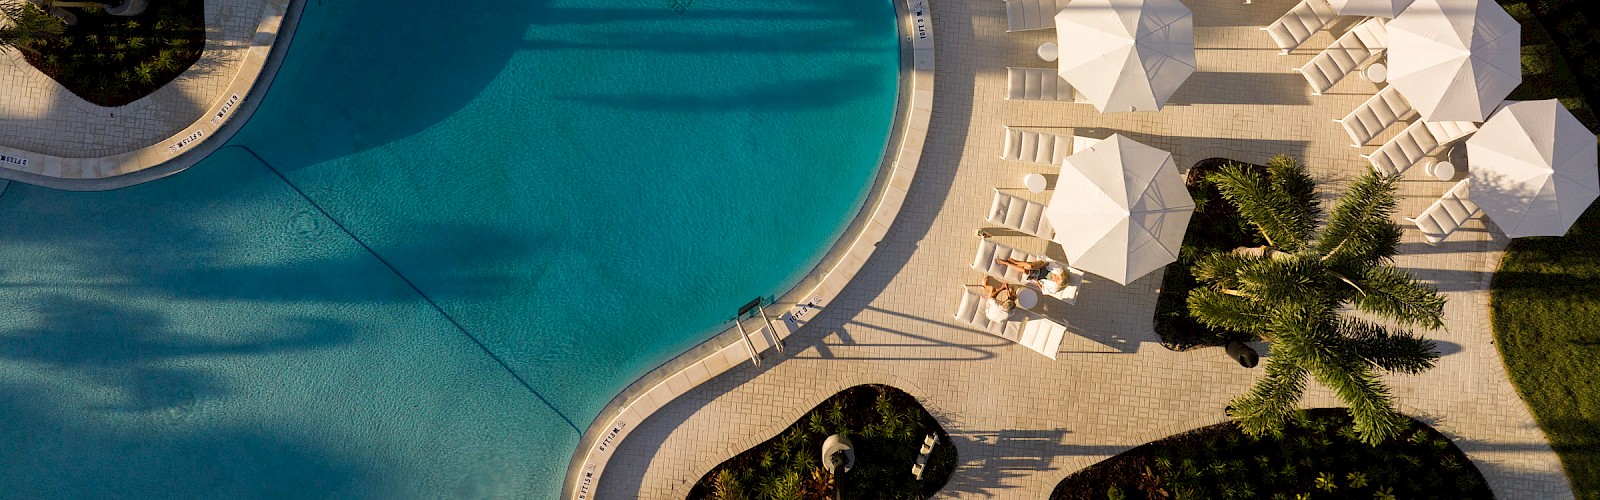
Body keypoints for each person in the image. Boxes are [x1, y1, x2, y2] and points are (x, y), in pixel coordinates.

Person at [995, 258, 1068, 293]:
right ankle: (1015, 261)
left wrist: (1037, 281)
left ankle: (1007, 263)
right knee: (1031, 266)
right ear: (1061, 276)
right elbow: (1048, 263)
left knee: (1025, 271)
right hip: (1042, 265)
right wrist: (1039, 267)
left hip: (1038, 277)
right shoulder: (1059, 270)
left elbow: (1043, 290)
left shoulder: (1055, 288)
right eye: (1057, 278)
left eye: (1056, 281)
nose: (1055, 279)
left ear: (1059, 285)